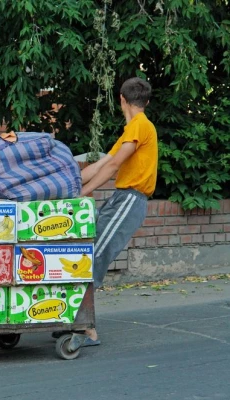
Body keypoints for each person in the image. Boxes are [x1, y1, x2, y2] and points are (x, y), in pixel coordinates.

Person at [78, 77, 158, 347]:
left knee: (95, 257)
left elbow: (112, 168)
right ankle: (78, 321)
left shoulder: (140, 126)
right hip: (121, 199)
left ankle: (86, 328)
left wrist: (80, 193)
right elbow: (104, 162)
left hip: (130, 200)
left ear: (121, 99)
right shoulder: (132, 131)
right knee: (89, 252)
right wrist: (69, 184)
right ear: (145, 101)